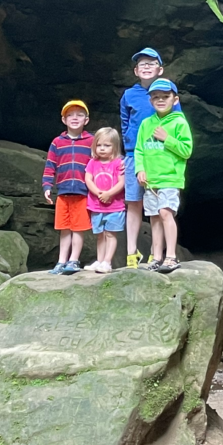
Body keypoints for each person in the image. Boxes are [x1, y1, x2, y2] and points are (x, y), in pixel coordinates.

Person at [120, 47, 181, 268]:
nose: (146, 66)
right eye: (141, 64)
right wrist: (128, 147)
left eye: (151, 62)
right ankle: (131, 252)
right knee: (134, 202)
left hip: (160, 156)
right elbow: (125, 122)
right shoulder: (129, 95)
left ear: (160, 69)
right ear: (136, 70)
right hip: (134, 155)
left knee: (160, 207)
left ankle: (160, 254)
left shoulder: (169, 95)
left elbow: (178, 122)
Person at [134, 78, 192, 274]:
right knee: (154, 218)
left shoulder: (179, 122)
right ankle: (156, 257)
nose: (160, 100)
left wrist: (167, 139)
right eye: (156, 97)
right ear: (150, 101)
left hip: (170, 178)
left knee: (166, 213)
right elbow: (139, 150)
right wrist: (139, 169)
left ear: (175, 100)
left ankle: (171, 256)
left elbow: (186, 150)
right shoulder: (145, 124)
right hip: (151, 181)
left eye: (165, 96)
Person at [42, 99, 94, 275]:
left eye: (79, 115)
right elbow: (50, 165)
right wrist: (47, 186)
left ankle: (73, 260)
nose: (74, 118)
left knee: (78, 228)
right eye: (70, 115)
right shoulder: (57, 142)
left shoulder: (91, 141)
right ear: (64, 120)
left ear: (86, 120)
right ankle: (61, 261)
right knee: (64, 228)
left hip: (83, 192)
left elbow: (101, 161)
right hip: (63, 192)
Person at [84, 127, 125, 273]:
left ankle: (107, 262)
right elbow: (88, 179)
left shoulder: (118, 163)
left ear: (115, 146)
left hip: (115, 206)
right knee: (100, 235)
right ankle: (99, 260)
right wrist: (98, 193)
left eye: (107, 145)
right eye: (99, 145)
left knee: (110, 234)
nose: (102, 149)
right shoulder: (92, 163)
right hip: (96, 206)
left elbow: (122, 182)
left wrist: (109, 194)